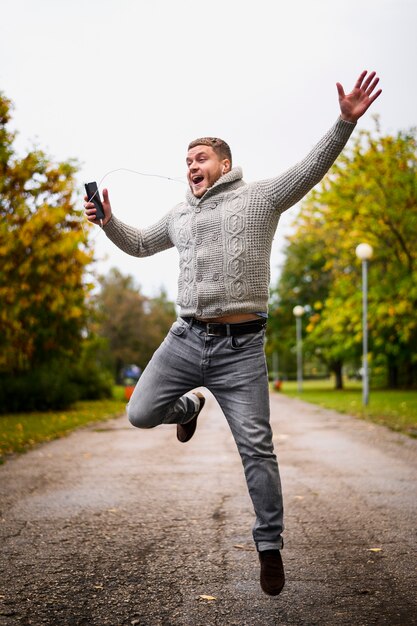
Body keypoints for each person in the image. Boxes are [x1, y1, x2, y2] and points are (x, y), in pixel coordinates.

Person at [84, 70, 381, 596]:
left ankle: (269, 545)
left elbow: (311, 169)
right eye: (187, 162)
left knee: (257, 448)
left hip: (241, 349)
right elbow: (139, 244)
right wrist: (109, 222)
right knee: (140, 412)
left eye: (199, 159)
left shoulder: (260, 198)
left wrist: (343, 122)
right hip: (184, 339)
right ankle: (188, 409)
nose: (191, 167)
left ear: (223, 163)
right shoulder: (179, 215)